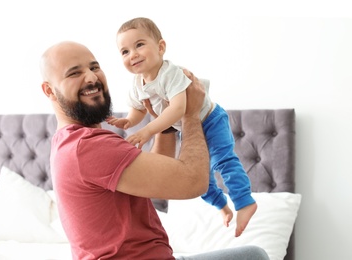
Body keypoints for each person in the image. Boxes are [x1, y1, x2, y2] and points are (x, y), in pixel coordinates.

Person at [40, 41, 269, 260]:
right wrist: (190, 114)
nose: (91, 78)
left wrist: (165, 120)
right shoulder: (89, 147)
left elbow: (158, 178)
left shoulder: (72, 143)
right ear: (49, 91)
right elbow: (193, 181)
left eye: (94, 67)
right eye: (74, 73)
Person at [106, 17, 257, 237]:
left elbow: (178, 109)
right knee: (198, 178)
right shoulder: (137, 85)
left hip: (210, 119)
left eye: (139, 45)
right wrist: (129, 121)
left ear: (160, 47)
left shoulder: (171, 73)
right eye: (125, 51)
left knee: (223, 160)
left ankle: (244, 202)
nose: (133, 54)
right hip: (187, 131)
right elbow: (139, 109)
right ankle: (222, 207)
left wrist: (148, 131)